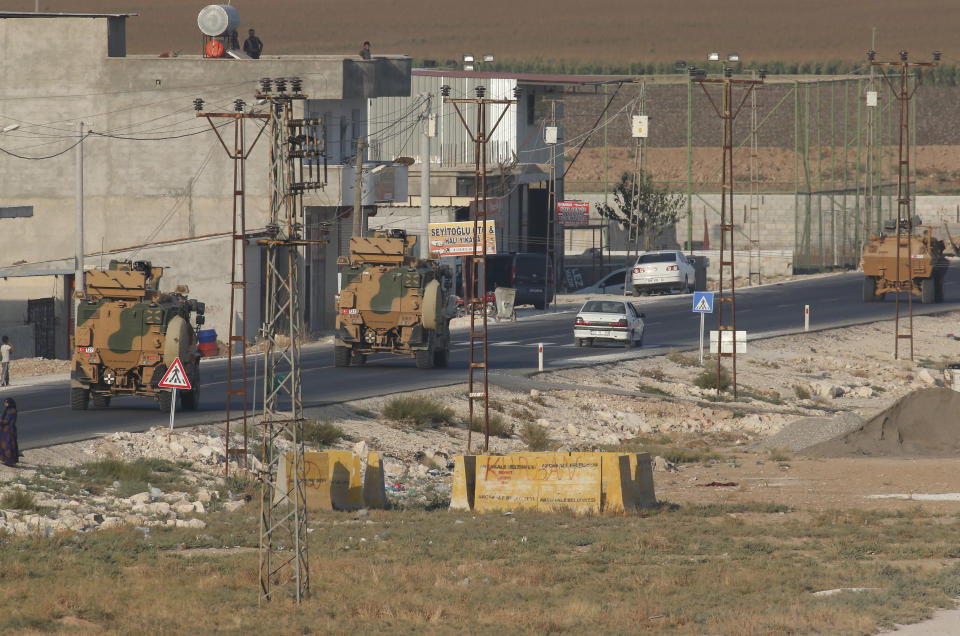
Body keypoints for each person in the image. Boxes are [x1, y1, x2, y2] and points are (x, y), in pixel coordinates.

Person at [0, 398, 17, 467]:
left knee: (8, 445)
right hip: (7, 430)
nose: (5, 404)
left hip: (9, 430)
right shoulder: (9, 409)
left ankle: (9, 462)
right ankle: (6, 460)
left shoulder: (11, 410)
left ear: (9, 403)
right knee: (6, 444)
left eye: (6, 402)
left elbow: (7, 421)